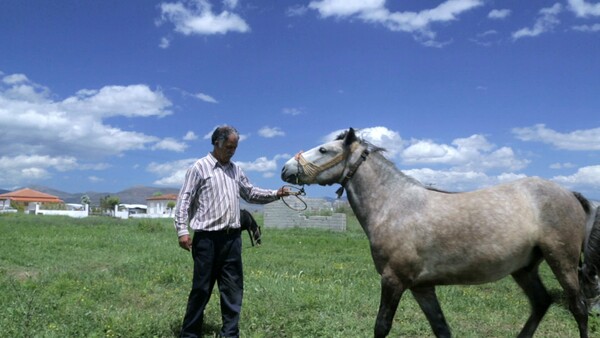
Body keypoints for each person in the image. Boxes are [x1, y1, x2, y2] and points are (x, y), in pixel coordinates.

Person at [174, 125, 289, 338]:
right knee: (201, 290)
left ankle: (230, 334)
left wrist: (276, 193)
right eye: (228, 147)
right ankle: (190, 334)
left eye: (235, 148)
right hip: (207, 240)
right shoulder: (199, 168)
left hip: (232, 240)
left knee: (232, 290)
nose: (232, 151)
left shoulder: (236, 170)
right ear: (217, 142)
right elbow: (184, 200)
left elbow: (251, 193)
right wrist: (182, 230)